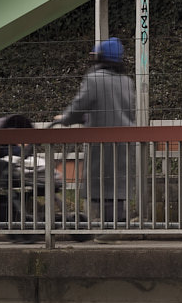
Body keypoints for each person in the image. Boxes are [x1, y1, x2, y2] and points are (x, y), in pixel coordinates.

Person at [53, 35, 137, 228]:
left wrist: (65, 119)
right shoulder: (126, 81)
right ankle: (116, 224)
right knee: (118, 184)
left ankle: (108, 229)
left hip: (102, 141)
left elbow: (79, 106)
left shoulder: (94, 79)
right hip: (125, 140)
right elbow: (123, 110)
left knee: (102, 184)